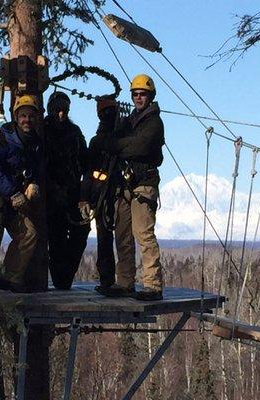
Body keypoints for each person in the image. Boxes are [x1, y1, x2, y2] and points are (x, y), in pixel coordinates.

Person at [102, 74, 165, 301]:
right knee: (123, 235)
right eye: (136, 94)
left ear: (150, 96)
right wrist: (118, 144)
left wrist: (117, 146)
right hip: (127, 184)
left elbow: (138, 147)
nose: (138, 98)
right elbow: (116, 142)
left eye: (142, 94)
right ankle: (125, 281)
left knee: (143, 234)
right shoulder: (130, 121)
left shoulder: (154, 123)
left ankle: (153, 285)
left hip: (143, 185)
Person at [0, 95, 42, 293]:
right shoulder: (2, 139)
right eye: (23, 116)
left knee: (28, 233)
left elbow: (36, 169)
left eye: (31, 116)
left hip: (15, 197)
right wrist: (12, 193)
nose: (27, 120)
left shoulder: (35, 143)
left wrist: (33, 184)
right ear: (16, 117)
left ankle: (10, 277)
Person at [44, 91, 89, 290]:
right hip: (50, 194)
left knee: (82, 230)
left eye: (64, 111)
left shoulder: (74, 132)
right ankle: (61, 282)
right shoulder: (42, 129)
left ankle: (65, 278)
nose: (61, 114)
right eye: (57, 110)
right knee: (56, 238)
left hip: (72, 191)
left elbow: (85, 160)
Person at [79, 96, 118, 294]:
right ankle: (108, 281)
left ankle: (111, 281)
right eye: (106, 113)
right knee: (105, 237)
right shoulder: (98, 143)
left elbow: (87, 172)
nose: (108, 116)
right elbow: (88, 171)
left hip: (115, 194)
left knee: (113, 238)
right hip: (103, 195)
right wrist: (85, 197)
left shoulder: (120, 138)